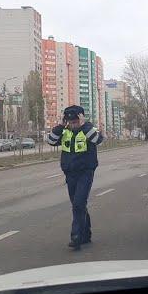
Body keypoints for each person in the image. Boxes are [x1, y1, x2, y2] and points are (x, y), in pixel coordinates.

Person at [47, 105, 104, 250]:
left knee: (78, 203)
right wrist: (60, 125)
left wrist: (84, 125)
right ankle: (86, 234)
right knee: (78, 205)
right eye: (70, 122)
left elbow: (98, 140)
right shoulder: (64, 131)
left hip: (85, 172)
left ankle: (76, 236)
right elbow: (51, 141)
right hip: (70, 173)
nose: (72, 125)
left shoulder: (88, 129)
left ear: (80, 119)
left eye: (75, 122)